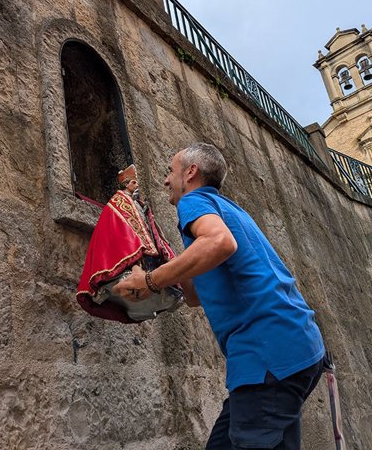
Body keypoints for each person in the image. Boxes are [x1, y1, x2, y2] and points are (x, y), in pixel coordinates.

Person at [113, 143, 325, 450]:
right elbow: (197, 295)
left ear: (191, 172)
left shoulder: (194, 201)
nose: (164, 181)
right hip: (297, 350)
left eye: (169, 172)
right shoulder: (228, 209)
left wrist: (149, 281)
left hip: (268, 358)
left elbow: (220, 243)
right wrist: (166, 259)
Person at [76, 164, 183, 323]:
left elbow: (150, 226)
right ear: (126, 184)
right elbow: (122, 227)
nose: (136, 185)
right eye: (133, 183)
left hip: (147, 246)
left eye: (136, 183)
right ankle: (135, 273)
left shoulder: (139, 203)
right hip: (130, 244)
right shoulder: (119, 201)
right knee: (132, 249)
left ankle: (169, 289)